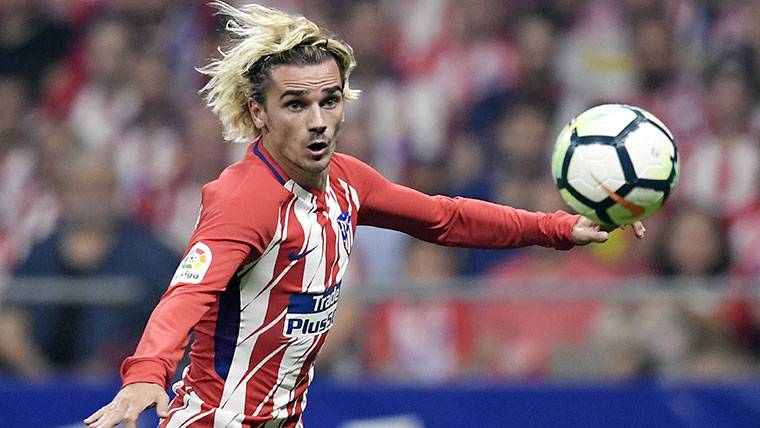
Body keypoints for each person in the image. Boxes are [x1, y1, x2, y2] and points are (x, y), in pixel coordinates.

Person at [85, 3, 645, 427]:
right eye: (296, 104)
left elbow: (445, 218)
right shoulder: (244, 199)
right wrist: (146, 373)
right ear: (258, 112)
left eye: (329, 100)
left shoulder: (348, 181)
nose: (318, 120)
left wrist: (559, 228)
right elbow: (189, 292)